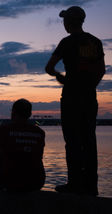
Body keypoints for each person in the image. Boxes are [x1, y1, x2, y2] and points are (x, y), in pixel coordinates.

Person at [45, 6, 105, 196]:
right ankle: (90, 185)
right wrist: (90, 85)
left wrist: (59, 76)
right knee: (89, 140)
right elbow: (101, 70)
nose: (63, 23)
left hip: (71, 97)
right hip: (89, 97)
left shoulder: (66, 42)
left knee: (72, 141)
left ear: (69, 22)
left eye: (64, 20)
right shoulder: (95, 42)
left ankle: (74, 184)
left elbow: (49, 67)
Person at [0, 99, 45, 192]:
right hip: (37, 181)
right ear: (29, 114)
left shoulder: (4, 129)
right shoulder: (40, 132)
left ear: (13, 113)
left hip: (11, 181)